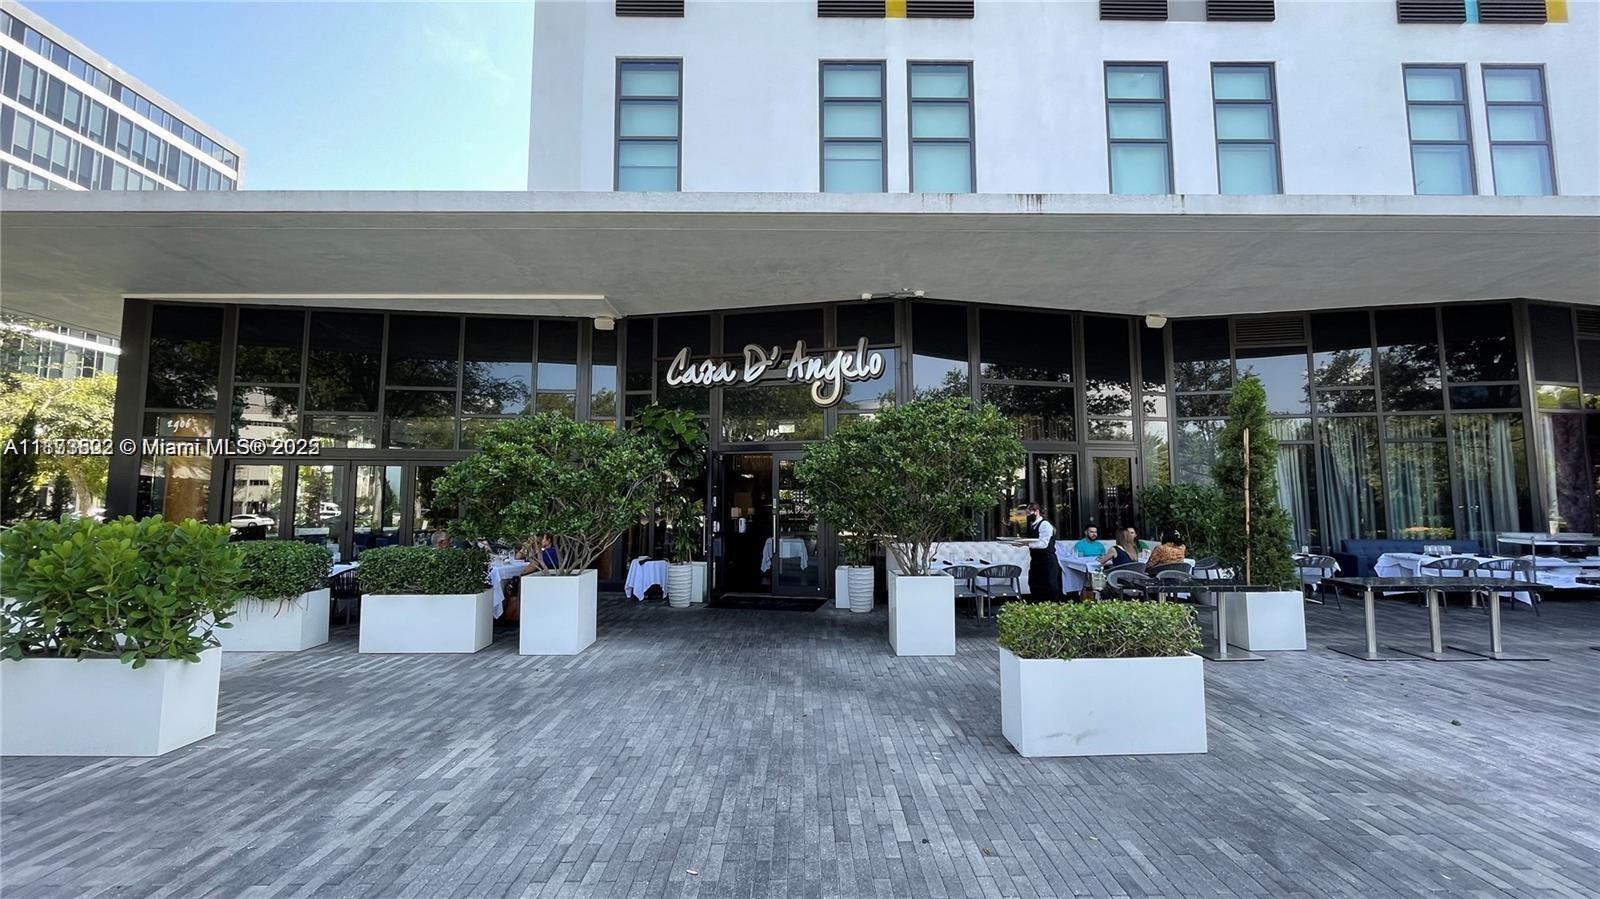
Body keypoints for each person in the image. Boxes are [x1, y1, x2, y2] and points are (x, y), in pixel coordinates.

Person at [1024, 503, 1063, 602]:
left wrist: (1027, 544)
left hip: (1047, 561)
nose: (1027, 516)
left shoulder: (1045, 524)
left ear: (1036, 512)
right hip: (1036, 561)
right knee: (1034, 585)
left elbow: (1044, 544)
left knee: (1049, 587)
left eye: (1029, 513)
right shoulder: (1034, 525)